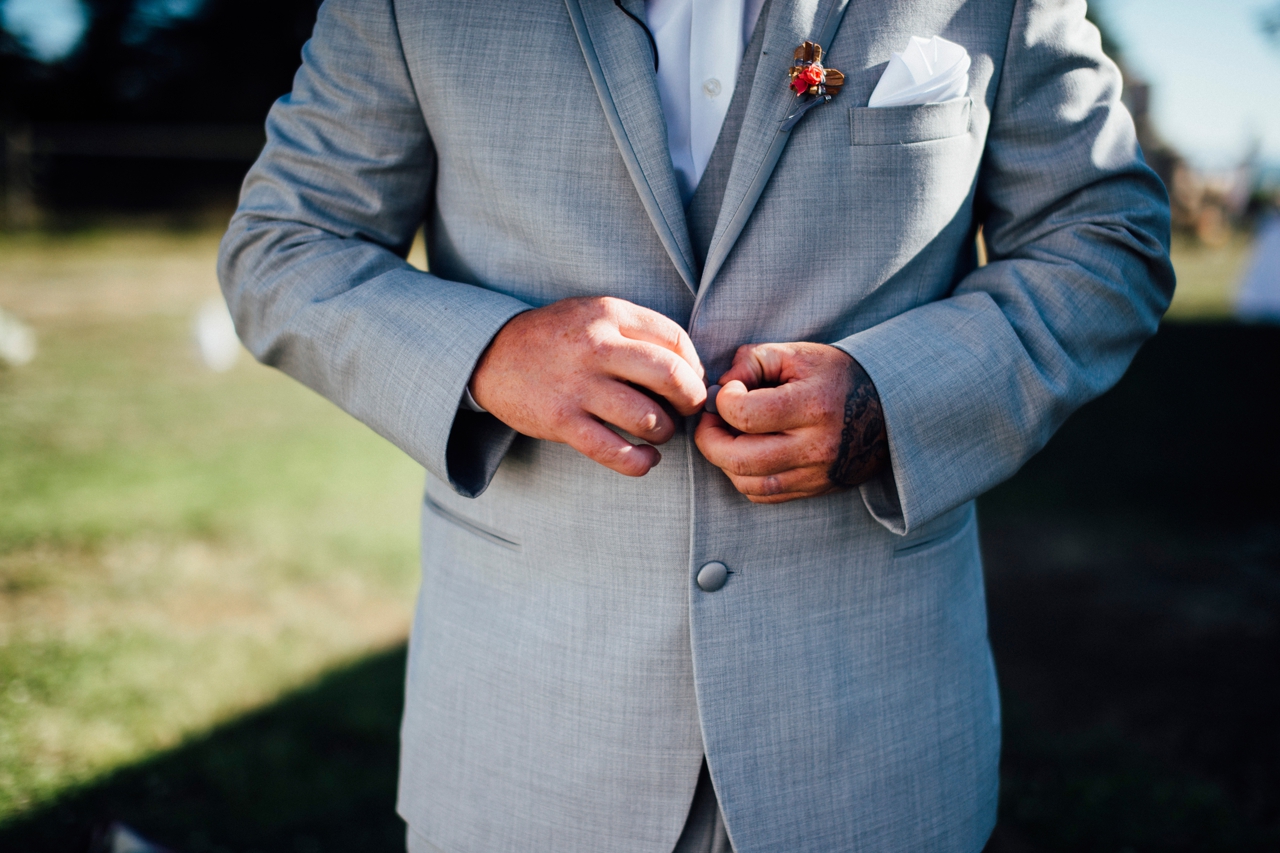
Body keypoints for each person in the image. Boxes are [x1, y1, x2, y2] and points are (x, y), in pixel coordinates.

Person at [217, 0, 1174, 850]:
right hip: (525, 747)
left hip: (873, 753)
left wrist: (898, 400)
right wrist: (492, 355)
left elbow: (1105, 238)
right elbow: (285, 245)